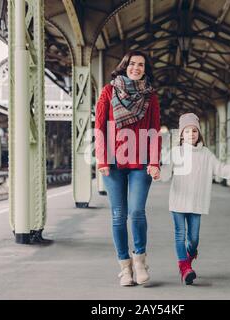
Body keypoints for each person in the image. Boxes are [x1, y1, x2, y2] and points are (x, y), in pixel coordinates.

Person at [94, 50, 161, 286]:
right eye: (132, 63)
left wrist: (154, 161)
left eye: (141, 65)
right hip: (113, 162)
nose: (136, 68)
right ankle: (125, 268)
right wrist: (101, 159)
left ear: (145, 69)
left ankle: (140, 260)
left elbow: (154, 130)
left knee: (136, 212)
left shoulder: (150, 96)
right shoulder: (108, 91)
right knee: (118, 215)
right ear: (124, 66)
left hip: (141, 161)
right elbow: (99, 127)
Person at [164, 113, 230, 285]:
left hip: (197, 203)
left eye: (194, 131)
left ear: (199, 133)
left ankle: (189, 257)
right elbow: (166, 173)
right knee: (179, 234)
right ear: (182, 134)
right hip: (178, 201)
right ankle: (184, 267)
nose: (191, 134)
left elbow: (221, 169)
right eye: (187, 131)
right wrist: (156, 173)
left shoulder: (206, 154)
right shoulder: (176, 152)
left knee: (194, 238)